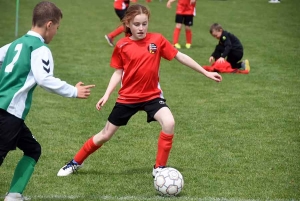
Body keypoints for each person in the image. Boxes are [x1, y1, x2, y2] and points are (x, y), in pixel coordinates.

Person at [57, 4, 221, 178]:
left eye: (144, 24)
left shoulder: (157, 40)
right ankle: (75, 162)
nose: (141, 28)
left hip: (152, 96)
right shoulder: (121, 45)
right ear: (127, 24)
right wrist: (107, 94)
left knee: (169, 123)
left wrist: (205, 72)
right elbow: (118, 72)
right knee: (105, 135)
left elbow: (180, 56)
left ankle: (159, 168)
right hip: (127, 98)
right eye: (136, 24)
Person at [0, 1, 95, 201]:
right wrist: (73, 91)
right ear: (49, 24)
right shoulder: (40, 48)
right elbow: (44, 79)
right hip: (10, 113)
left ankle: (14, 195)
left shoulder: (15, 44)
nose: (55, 33)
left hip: (8, 112)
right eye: (57, 28)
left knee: (33, 149)